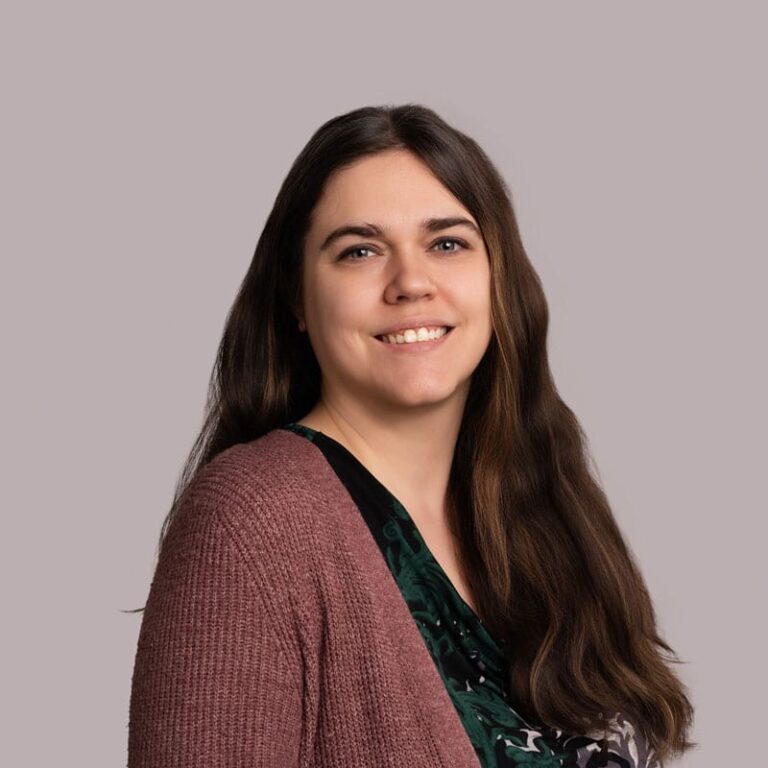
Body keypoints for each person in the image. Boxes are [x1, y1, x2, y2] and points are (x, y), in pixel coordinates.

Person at [127, 104, 695, 767]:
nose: (411, 283)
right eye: (360, 250)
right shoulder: (250, 524)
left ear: (498, 278)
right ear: (298, 300)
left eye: (447, 243)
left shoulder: (549, 518)